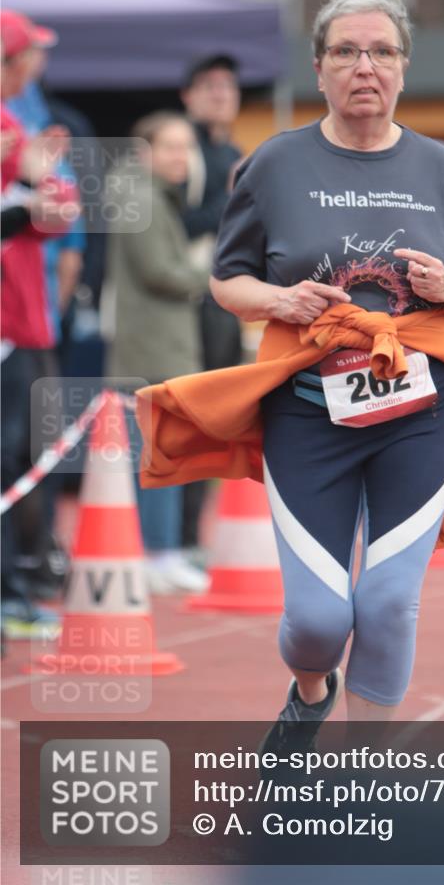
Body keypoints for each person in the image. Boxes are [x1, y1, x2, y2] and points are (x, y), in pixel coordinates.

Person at [135, 0, 444, 744]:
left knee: (387, 603)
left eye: (382, 52)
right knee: (318, 620)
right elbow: (228, 279)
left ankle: (363, 773)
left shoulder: (441, 168)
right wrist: (280, 301)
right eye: (347, 52)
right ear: (318, 69)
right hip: (305, 409)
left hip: (419, 409)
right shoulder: (274, 163)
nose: (365, 66)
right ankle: (310, 688)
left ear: (402, 70)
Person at [102, 111, 211, 593]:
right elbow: (160, 272)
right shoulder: (139, 196)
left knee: (154, 454)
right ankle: (157, 553)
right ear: (143, 151)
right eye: (171, 146)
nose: (181, 157)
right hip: (153, 350)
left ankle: (158, 551)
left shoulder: (141, 195)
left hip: (153, 346)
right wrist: (208, 278)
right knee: (159, 454)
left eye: (186, 147)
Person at [1, 11, 78, 638]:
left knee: (27, 456)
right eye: (30, 54)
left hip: (28, 319)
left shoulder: (16, 121)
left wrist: (37, 192)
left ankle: (21, 581)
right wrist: (26, 192)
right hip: (11, 323)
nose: (37, 65)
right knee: (10, 458)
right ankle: (11, 588)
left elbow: (61, 210)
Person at [179, 55, 244, 551]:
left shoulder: (236, 152)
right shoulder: (181, 151)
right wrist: (230, 197)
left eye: (228, 85)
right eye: (209, 85)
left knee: (214, 420)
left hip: (227, 299)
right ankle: (172, 541)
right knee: (185, 417)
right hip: (186, 299)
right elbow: (179, 225)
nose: (221, 93)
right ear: (189, 95)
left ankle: (192, 538)